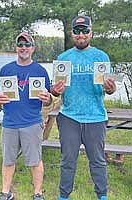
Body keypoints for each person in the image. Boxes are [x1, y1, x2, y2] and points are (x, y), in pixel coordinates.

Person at [51, 15, 116, 200]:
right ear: (72, 34)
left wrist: (111, 89)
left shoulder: (101, 56)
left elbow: (108, 89)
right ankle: (64, 196)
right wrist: (55, 91)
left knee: (97, 161)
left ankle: (102, 195)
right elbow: (55, 92)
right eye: (77, 31)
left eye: (85, 31)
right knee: (67, 161)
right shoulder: (63, 58)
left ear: (91, 33)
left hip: (96, 117)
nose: (81, 35)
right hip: (69, 117)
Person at [0, 32, 52, 200]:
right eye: (20, 45)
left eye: (27, 45)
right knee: (8, 160)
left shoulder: (40, 71)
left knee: (35, 160)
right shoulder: (6, 70)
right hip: (9, 122)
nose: (23, 48)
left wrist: (48, 99)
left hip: (32, 123)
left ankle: (38, 194)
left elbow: (48, 102)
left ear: (33, 48)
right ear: (16, 47)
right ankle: (6, 193)